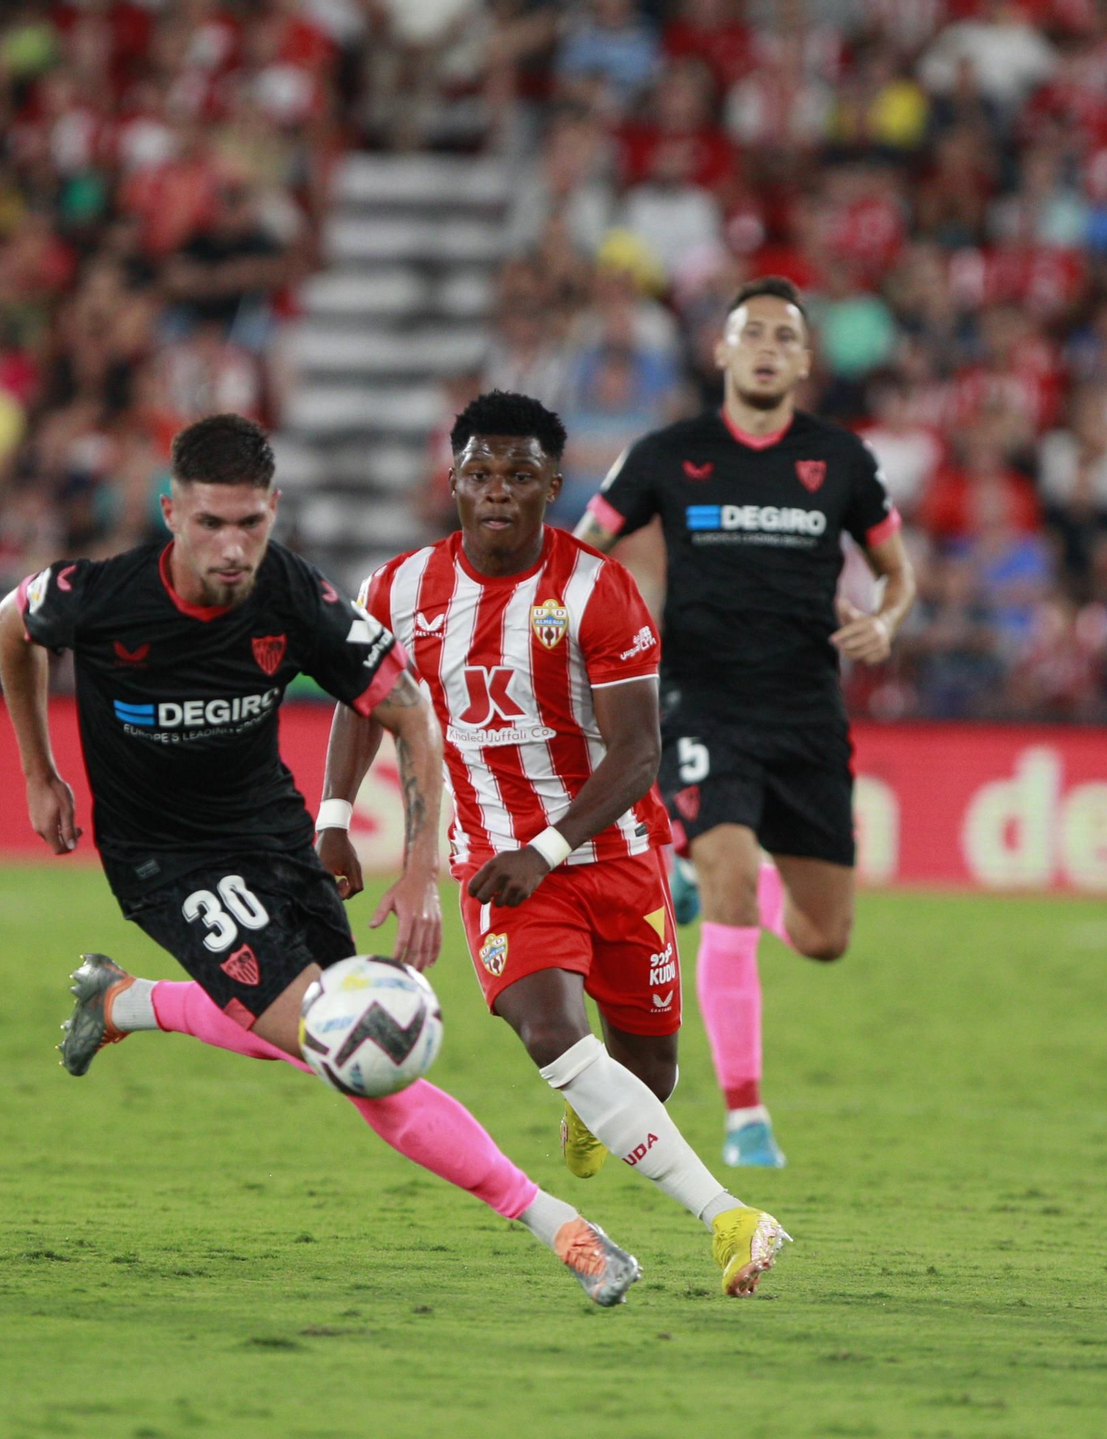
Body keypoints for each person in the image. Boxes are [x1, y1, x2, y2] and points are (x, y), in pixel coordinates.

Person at [0, 412, 641, 1307]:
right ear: (170, 511)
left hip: (268, 833)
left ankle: (122, 1000)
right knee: (355, 1048)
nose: (232, 546)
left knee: (300, 1039)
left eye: (250, 524)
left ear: (275, 510)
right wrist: (41, 772)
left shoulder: (294, 597)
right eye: (211, 523)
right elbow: (11, 622)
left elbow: (408, 713)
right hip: (165, 859)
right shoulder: (101, 595)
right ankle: (561, 1228)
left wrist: (418, 872)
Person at [316, 390, 790, 1298]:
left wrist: (549, 841)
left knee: (649, 1068)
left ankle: (595, 1111)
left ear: (552, 487)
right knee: (549, 1032)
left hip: (613, 857)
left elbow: (639, 751)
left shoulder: (596, 590)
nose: (498, 490)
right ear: (452, 481)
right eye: (481, 473)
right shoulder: (399, 590)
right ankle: (729, 1217)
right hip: (501, 867)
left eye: (520, 476)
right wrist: (333, 819)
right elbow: (362, 700)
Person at [574, 277, 917, 1169]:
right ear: (721, 351)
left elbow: (896, 572)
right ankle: (744, 1118)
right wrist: (590, 632)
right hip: (701, 698)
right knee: (728, 873)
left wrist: (884, 620)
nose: (766, 346)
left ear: (805, 361)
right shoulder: (666, 453)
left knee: (824, 937)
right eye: (749, 332)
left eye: (783, 336)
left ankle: (694, 879)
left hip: (807, 709)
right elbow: (583, 551)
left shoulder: (840, 460)